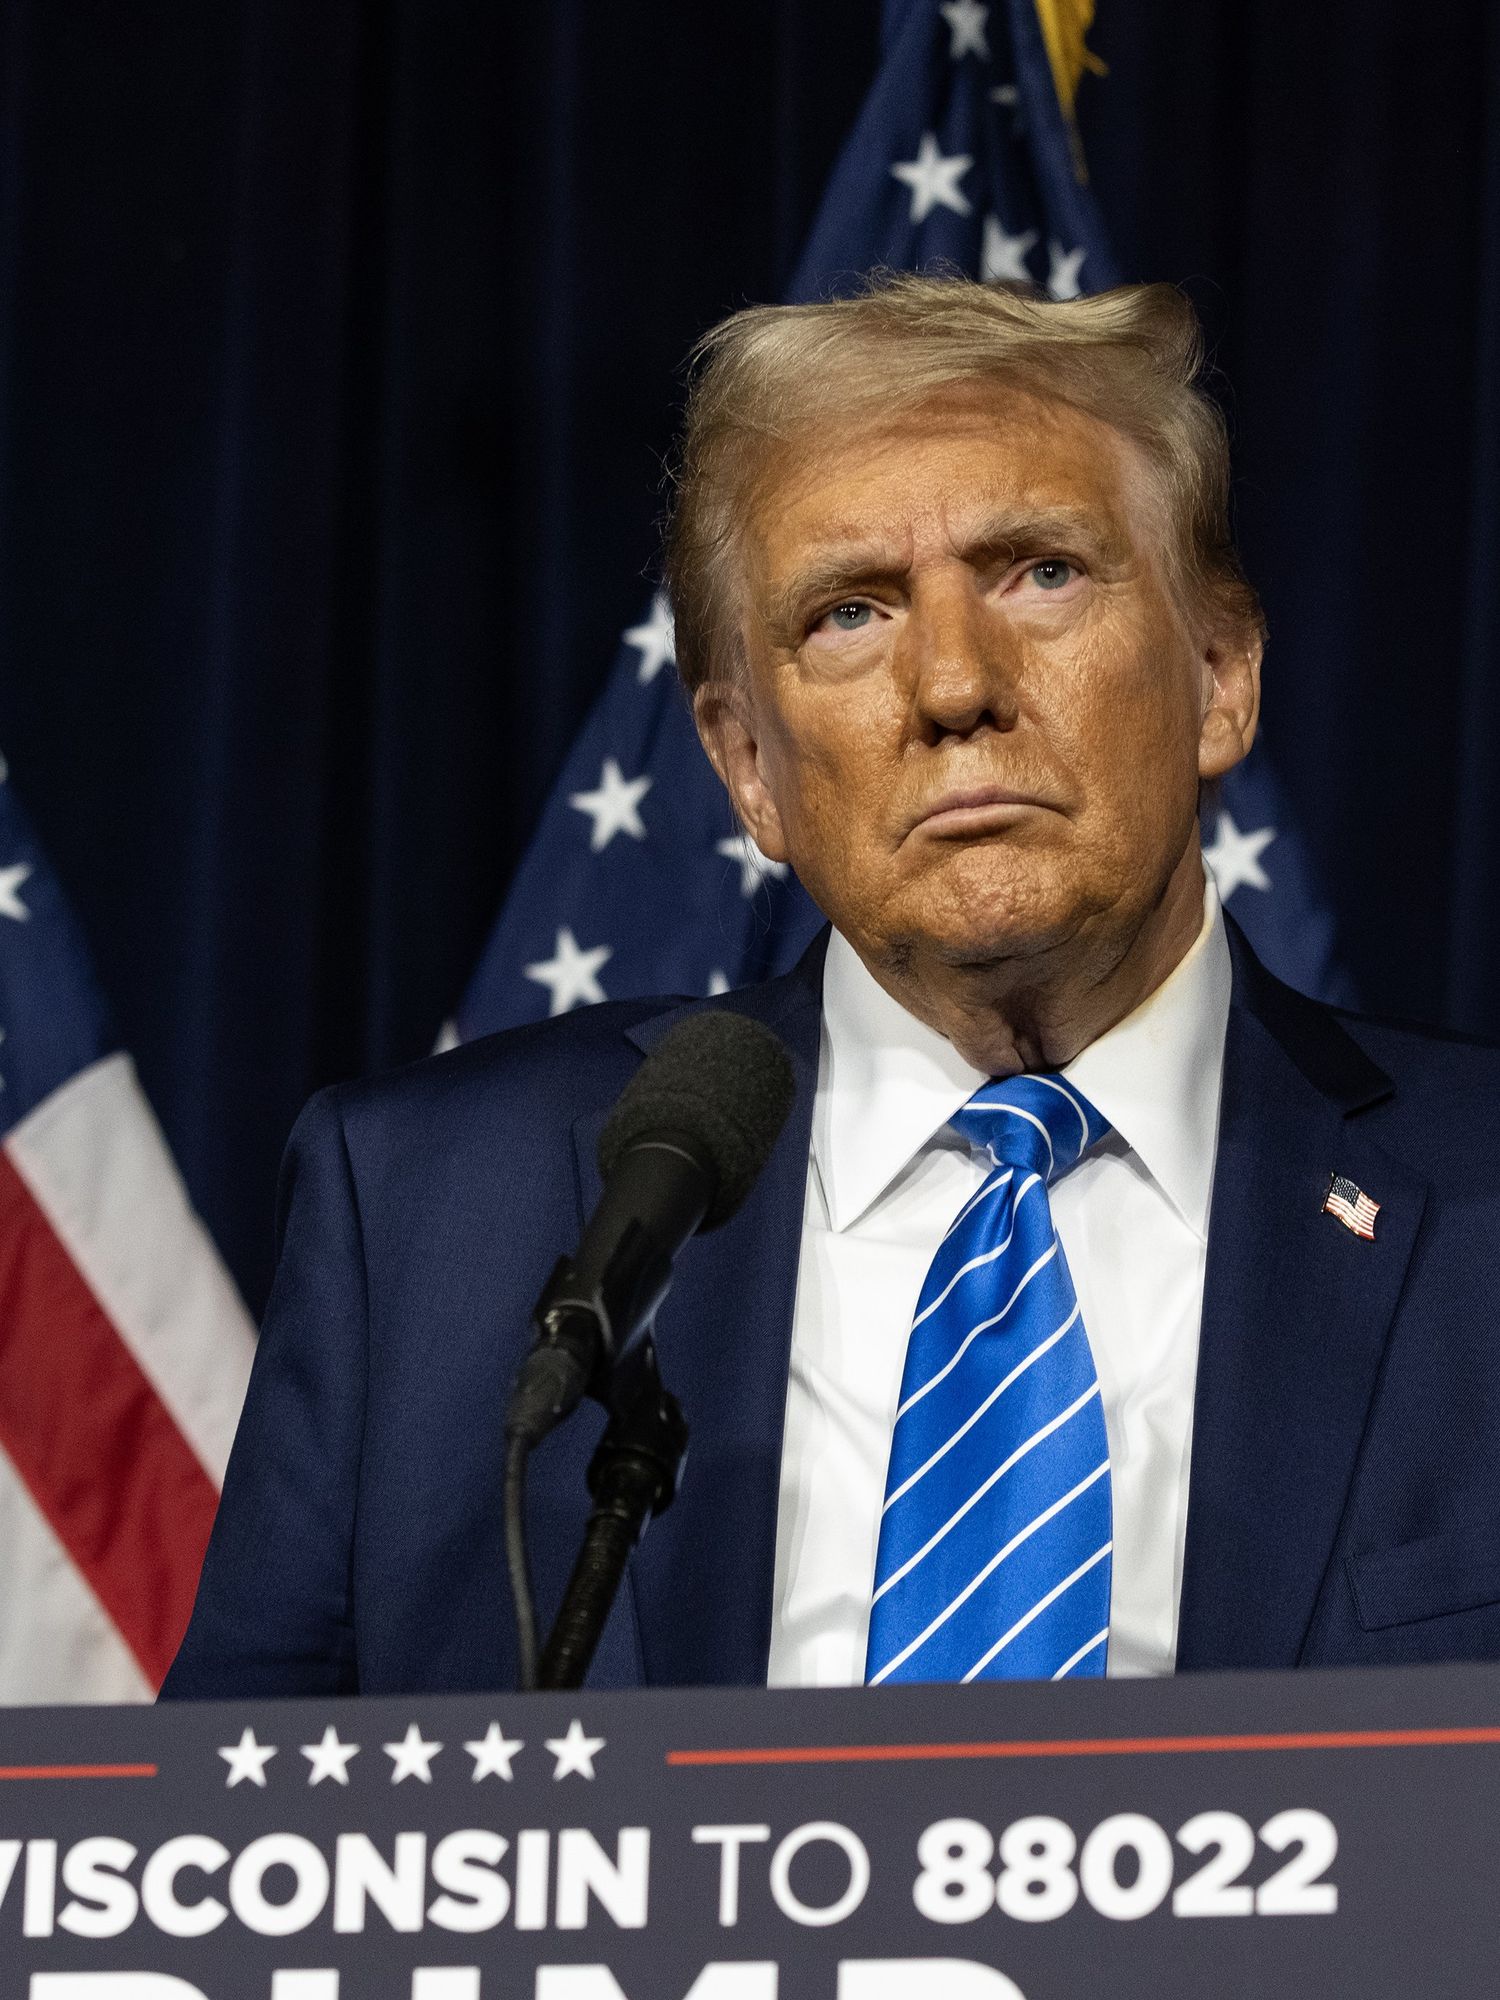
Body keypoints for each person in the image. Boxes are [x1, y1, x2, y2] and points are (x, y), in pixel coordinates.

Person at [164, 274, 1500, 1700]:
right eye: (850, 614)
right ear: (748, 764)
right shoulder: (435, 1217)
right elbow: (234, 1862)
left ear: (1222, 673)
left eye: (1042, 571)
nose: (951, 685)